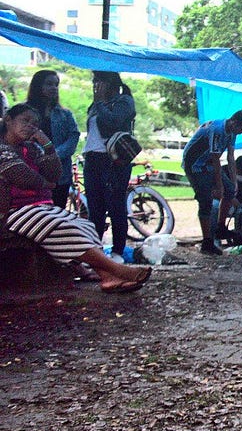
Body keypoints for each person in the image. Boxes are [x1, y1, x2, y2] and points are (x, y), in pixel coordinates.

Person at [0, 104, 150, 292]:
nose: (30, 126)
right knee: (57, 226)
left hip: (40, 207)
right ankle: (117, 270)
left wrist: (47, 146)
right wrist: (45, 183)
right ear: (8, 120)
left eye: (34, 124)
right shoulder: (2, 148)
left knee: (82, 224)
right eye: (25, 121)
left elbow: (54, 174)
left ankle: (107, 277)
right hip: (13, 212)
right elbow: (23, 177)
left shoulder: (33, 149)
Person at [182, 110, 242, 256]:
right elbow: (216, 159)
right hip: (196, 164)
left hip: (208, 162)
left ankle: (221, 227)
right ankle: (207, 241)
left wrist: (233, 182)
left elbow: (230, 157)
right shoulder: (217, 130)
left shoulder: (232, 132)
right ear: (234, 122)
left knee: (229, 190)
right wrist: (219, 185)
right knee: (206, 200)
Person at [82, 71, 135, 263]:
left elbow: (112, 122)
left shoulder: (124, 102)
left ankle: (118, 251)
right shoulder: (95, 104)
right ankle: (96, 250)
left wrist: (101, 102)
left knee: (115, 206)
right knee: (95, 207)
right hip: (93, 158)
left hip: (113, 161)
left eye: (99, 81)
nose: (96, 85)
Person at [26, 69, 79, 210]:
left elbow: (73, 137)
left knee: (57, 211)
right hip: (32, 170)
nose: (54, 88)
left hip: (60, 173)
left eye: (56, 85)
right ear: (39, 86)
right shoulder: (24, 112)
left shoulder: (65, 114)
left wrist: (54, 154)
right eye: (49, 84)